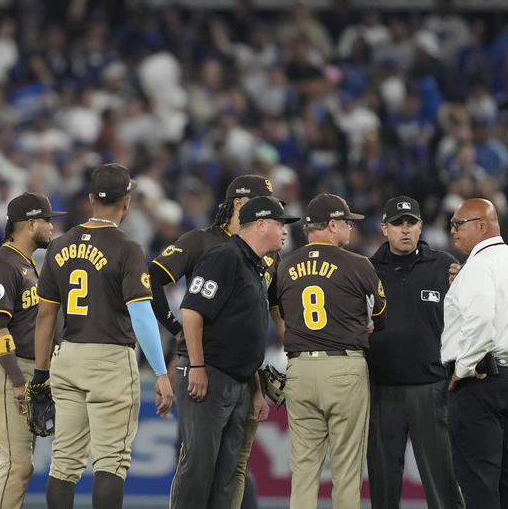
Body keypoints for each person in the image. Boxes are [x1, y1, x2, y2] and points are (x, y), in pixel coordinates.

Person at [32, 163, 173, 509]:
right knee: (111, 462)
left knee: (64, 463)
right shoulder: (128, 248)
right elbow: (141, 315)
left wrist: (40, 374)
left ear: (92, 198)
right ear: (126, 203)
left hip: (68, 356)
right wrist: (160, 371)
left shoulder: (59, 245)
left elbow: (46, 315)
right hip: (109, 359)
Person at [149, 174, 289, 508]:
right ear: (241, 204)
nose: (282, 227)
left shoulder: (264, 257)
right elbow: (152, 280)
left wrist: (263, 380)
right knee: (198, 464)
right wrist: (176, 331)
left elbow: (269, 316)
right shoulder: (203, 243)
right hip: (203, 366)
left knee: (232, 469)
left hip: (240, 373)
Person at [276, 193, 385, 509]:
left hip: (299, 369)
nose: (351, 228)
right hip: (343, 369)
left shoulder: (285, 267)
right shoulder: (358, 264)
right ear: (333, 224)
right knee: (347, 472)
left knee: (304, 473)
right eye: (348, 222)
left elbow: (280, 313)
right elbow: (381, 317)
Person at [366, 196, 463, 509]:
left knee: (443, 480)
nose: (404, 230)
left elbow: (464, 321)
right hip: (381, 389)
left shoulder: (443, 266)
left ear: (421, 226)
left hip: (431, 387)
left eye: (411, 223)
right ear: (384, 229)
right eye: (397, 224)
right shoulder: (367, 270)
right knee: (383, 483)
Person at [441, 198, 508, 509]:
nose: (452, 230)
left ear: (482, 226)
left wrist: (463, 368)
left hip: (481, 379)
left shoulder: (480, 265)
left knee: (478, 478)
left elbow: (481, 319)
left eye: (458, 224)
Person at [0, 192, 64, 509]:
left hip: (25, 371)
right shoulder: (1, 264)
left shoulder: (25, 264)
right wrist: (16, 380)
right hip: (5, 372)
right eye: (47, 221)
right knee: (17, 465)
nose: (51, 227)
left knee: (21, 465)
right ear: (30, 224)